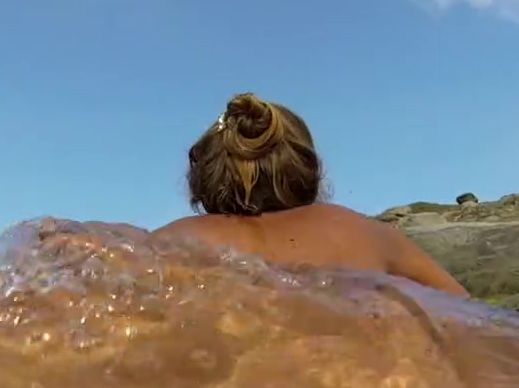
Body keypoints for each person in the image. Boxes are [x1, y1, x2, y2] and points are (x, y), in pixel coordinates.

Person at [155, 92, 470, 297]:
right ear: (308, 171)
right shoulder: (368, 235)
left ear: (204, 175)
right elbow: (477, 319)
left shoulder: (170, 242)